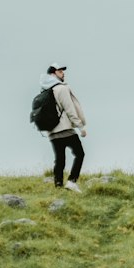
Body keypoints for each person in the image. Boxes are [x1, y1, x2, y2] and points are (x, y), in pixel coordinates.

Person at [40, 64, 87, 192]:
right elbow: (70, 109)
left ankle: (58, 185)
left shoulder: (45, 89)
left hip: (52, 131)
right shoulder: (61, 89)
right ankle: (72, 181)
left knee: (60, 159)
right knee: (80, 154)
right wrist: (80, 126)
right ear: (53, 74)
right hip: (65, 129)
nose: (63, 73)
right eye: (60, 71)